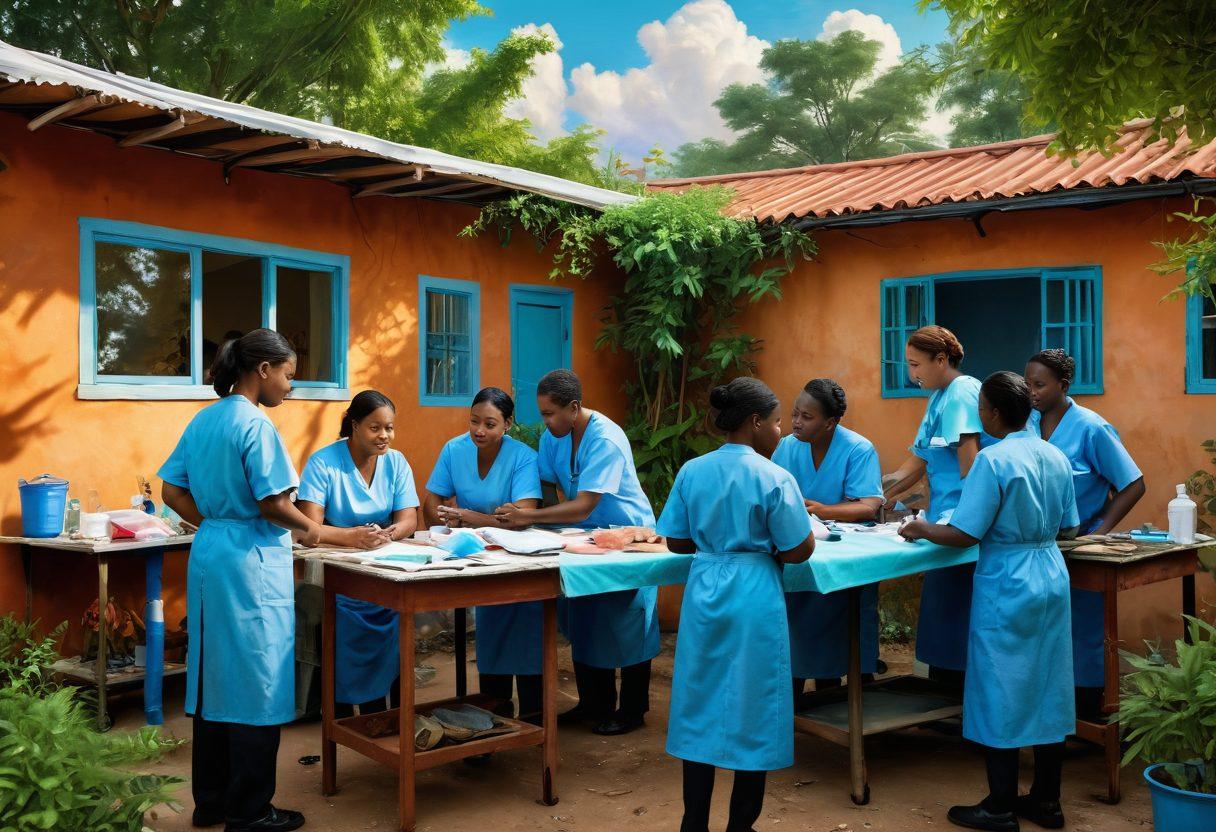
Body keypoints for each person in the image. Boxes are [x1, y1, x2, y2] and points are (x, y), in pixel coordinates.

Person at [901, 371, 1079, 832]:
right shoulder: (1055, 455)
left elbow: (963, 533)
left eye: (981, 409)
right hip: (1050, 573)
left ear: (995, 414)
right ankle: (1047, 800)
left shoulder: (992, 461)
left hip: (1007, 578)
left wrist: (920, 527)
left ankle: (999, 804)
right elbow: (1070, 527)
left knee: (1000, 684)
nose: (979, 416)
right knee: (1047, 682)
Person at [160, 329, 319, 832]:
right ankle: (249, 810)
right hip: (251, 561)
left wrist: (211, 520)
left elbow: (170, 489)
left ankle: (210, 803)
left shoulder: (205, 419)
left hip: (211, 555)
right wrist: (320, 531)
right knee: (257, 678)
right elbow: (275, 505)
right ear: (264, 370)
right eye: (290, 375)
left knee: (212, 678)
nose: (292, 387)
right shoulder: (255, 425)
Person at [657, 377, 816, 832]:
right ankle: (741, 824)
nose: (781, 430)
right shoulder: (774, 476)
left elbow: (676, 540)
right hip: (754, 593)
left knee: (700, 700)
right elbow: (799, 549)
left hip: (705, 589)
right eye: (777, 420)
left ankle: (694, 822)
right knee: (755, 701)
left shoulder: (693, 470)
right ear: (755, 422)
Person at [494, 369, 657, 736]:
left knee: (628, 620)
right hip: (586, 537)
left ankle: (632, 709)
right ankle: (593, 705)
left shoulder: (605, 439)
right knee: (584, 614)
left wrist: (530, 517)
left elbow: (583, 504)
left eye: (551, 413)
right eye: (542, 413)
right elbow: (550, 487)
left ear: (574, 407)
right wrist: (531, 519)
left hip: (627, 535)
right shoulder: (556, 435)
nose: (545, 421)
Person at [1025, 348, 1145, 710]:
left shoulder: (1092, 428)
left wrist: (1101, 530)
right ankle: (1053, 717)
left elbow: (1133, 484)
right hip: (1040, 548)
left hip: (1081, 550)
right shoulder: (1027, 424)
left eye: (1040, 385)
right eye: (1027, 383)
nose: (1031, 392)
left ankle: (1091, 713)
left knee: (1083, 633)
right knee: (1044, 634)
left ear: (1062, 386)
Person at [423, 387, 544, 723]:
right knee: (491, 636)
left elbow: (523, 513)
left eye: (490, 424)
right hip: (477, 561)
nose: (479, 430)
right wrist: (447, 520)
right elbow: (431, 502)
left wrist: (469, 517)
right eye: (474, 421)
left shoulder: (523, 457)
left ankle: (535, 715)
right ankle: (494, 712)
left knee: (528, 636)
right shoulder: (453, 449)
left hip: (521, 563)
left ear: (507, 424)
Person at [296, 390, 419, 716]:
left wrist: (389, 533)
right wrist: (352, 538)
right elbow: (309, 529)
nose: (385, 436)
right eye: (375, 428)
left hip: (383, 569)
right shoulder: (323, 463)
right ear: (354, 425)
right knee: (345, 638)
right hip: (341, 577)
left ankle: (384, 716)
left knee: (396, 625)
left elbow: (409, 519)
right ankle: (345, 719)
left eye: (389, 428)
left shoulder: (396, 462)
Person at [884, 326, 988, 686]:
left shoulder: (961, 392)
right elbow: (920, 459)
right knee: (943, 607)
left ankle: (956, 699)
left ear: (941, 360)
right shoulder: (938, 397)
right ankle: (943, 693)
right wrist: (883, 493)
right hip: (945, 518)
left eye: (916, 365)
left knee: (958, 611)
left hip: (964, 522)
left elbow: (971, 467)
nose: (912, 374)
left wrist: (966, 523)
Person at [772, 378, 884, 698]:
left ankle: (837, 695)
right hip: (801, 550)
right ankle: (795, 702)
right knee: (796, 626)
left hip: (845, 556)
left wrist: (822, 510)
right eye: (794, 413)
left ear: (830, 422)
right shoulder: (786, 448)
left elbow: (869, 504)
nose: (796, 422)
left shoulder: (858, 448)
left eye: (807, 417)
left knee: (844, 623)